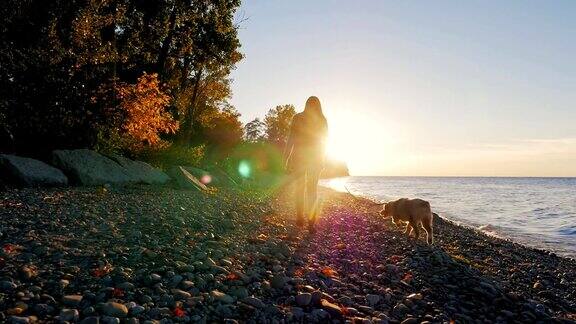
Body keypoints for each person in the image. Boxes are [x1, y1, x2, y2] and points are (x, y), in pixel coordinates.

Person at [283, 96, 328, 233]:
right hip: (313, 158)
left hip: (300, 158)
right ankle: (311, 221)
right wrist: (323, 159)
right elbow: (324, 141)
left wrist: (286, 157)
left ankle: (300, 218)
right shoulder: (322, 119)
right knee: (311, 190)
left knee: (300, 188)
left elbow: (291, 139)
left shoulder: (298, 118)